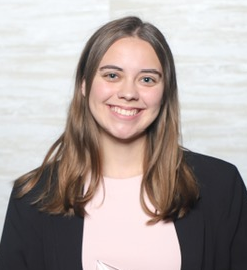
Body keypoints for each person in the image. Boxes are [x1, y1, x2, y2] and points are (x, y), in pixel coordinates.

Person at [0, 16, 246, 270]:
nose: (128, 93)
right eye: (112, 75)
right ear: (84, 85)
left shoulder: (222, 186)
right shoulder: (32, 196)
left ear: (165, 92)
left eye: (147, 79)